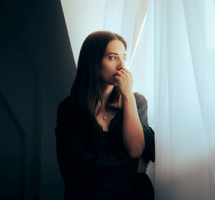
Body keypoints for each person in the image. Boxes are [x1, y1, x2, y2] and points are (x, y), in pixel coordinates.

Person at [55, 31, 155, 200]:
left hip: (134, 193)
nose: (121, 66)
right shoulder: (70, 107)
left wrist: (128, 96)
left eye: (123, 57)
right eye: (112, 57)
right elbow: (73, 164)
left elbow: (136, 149)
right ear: (93, 61)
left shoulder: (137, 102)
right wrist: (130, 167)